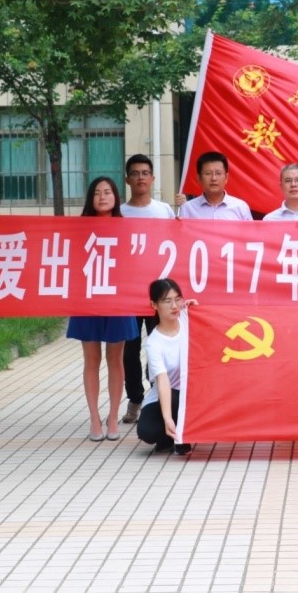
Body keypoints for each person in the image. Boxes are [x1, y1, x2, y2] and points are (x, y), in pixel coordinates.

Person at [66, 176, 139, 441]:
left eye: (107, 192)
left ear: (115, 196)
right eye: (97, 193)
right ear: (91, 198)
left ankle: (113, 416)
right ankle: (94, 417)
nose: (102, 197)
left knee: (116, 359)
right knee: (92, 360)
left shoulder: (126, 227)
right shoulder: (79, 228)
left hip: (118, 300)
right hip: (87, 299)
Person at [118, 154, 175, 425]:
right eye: (135, 173)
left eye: (145, 173)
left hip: (159, 292)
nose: (140, 177)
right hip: (128, 292)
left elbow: (177, 242)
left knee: (158, 345)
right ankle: (135, 398)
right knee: (129, 349)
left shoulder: (165, 210)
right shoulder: (119, 213)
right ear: (127, 179)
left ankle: (156, 395)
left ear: (152, 178)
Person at [136, 278, 196, 455]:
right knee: (147, 431)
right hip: (168, 395)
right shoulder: (154, 342)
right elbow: (162, 380)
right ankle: (171, 433)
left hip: (194, 392)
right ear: (154, 305)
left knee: (184, 396)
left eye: (178, 299)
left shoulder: (188, 318)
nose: (174, 306)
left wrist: (199, 311)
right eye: (167, 301)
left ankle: (183, 435)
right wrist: (167, 418)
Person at [175, 151, 253, 220]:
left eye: (218, 173)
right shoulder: (188, 208)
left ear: (226, 178)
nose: (214, 178)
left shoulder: (240, 207)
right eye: (208, 173)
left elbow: (251, 232)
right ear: (199, 178)